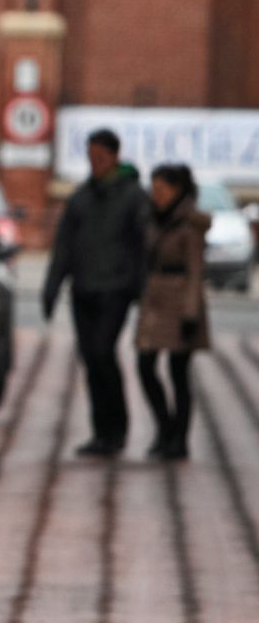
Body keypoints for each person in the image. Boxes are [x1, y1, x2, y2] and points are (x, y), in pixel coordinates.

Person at [43, 128, 151, 457]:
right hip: (83, 290)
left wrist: (139, 289)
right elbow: (63, 246)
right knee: (91, 359)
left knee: (104, 352)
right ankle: (100, 431)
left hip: (115, 290)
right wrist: (52, 287)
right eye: (90, 157)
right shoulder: (80, 197)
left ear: (114, 157)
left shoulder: (134, 197)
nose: (95, 163)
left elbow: (144, 247)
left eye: (100, 157)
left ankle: (116, 428)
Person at [136, 164, 211, 461]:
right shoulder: (155, 219)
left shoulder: (190, 224)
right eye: (153, 189)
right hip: (154, 299)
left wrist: (190, 313)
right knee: (145, 365)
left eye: (162, 190)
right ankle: (164, 428)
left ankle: (179, 438)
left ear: (177, 189)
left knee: (178, 372)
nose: (156, 195)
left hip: (181, 302)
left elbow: (195, 272)